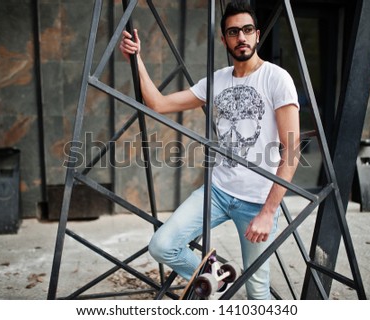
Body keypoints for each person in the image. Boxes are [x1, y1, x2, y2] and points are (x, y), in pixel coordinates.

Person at [119, 0, 300, 299]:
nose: (241, 37)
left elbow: (291, 150)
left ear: (257, 35)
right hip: (216, 192)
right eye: (233, 32)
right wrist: (136, 58)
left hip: (258, 200)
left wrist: (269, 212)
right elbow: (159, 104)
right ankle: (217, 274)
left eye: (247, 30)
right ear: (224, 38)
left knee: (257, 294)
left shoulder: (277, 79)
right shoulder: (217, 80)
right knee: (162, 245)